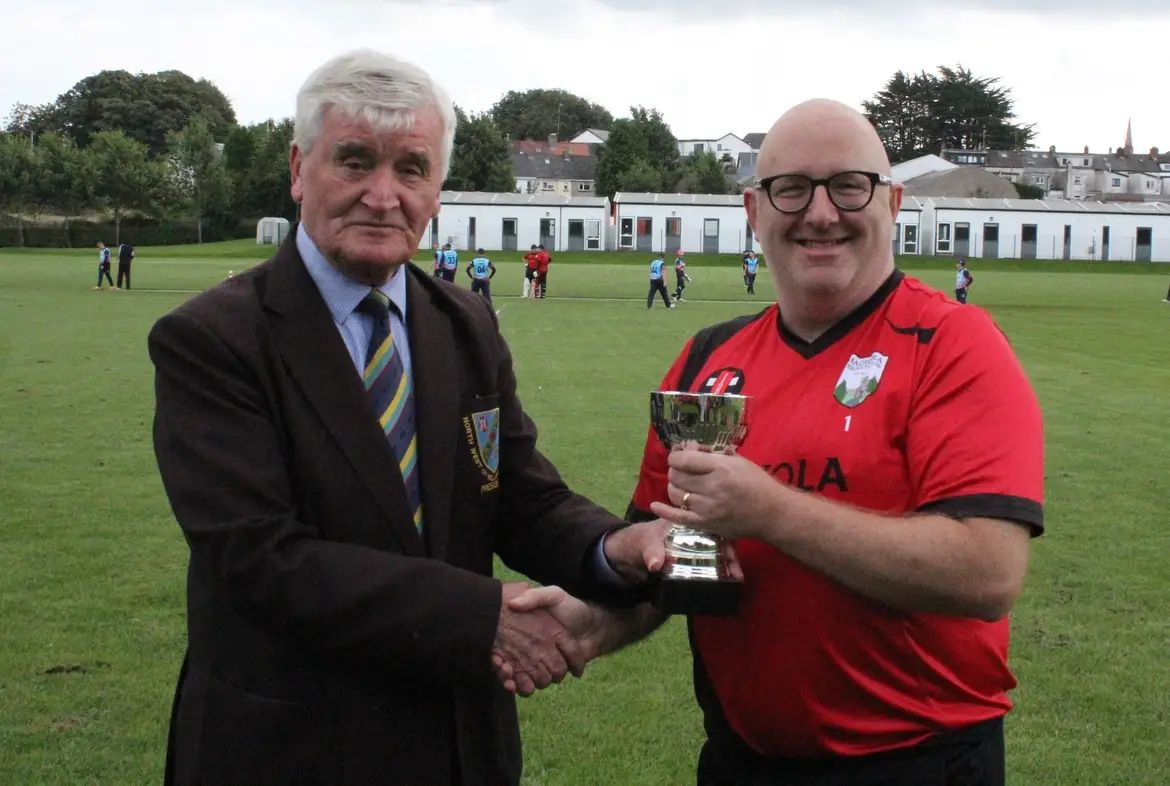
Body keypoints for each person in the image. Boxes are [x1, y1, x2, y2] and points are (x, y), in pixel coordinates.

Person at [148, 49, 663, 786]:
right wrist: (484, 617)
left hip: (458, 744)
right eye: (354, 161)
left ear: (437, 189)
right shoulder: (213, 339)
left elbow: (517, 494)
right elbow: (260, 557)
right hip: (287, 748)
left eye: (411, 168)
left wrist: (613, 548)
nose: (383, 195)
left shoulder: (464, 322)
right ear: (298, 168)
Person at [626, 99, 1044, 785]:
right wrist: (577, 623)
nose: (820, 214)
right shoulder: (707, 359)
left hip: (918, 766)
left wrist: (770, 511)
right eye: (791, 189)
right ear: (754, 211)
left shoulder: (954, 345)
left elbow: (988, 572)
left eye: (849, 186)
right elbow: (658, 551)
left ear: (893, 202)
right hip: (738, 762)